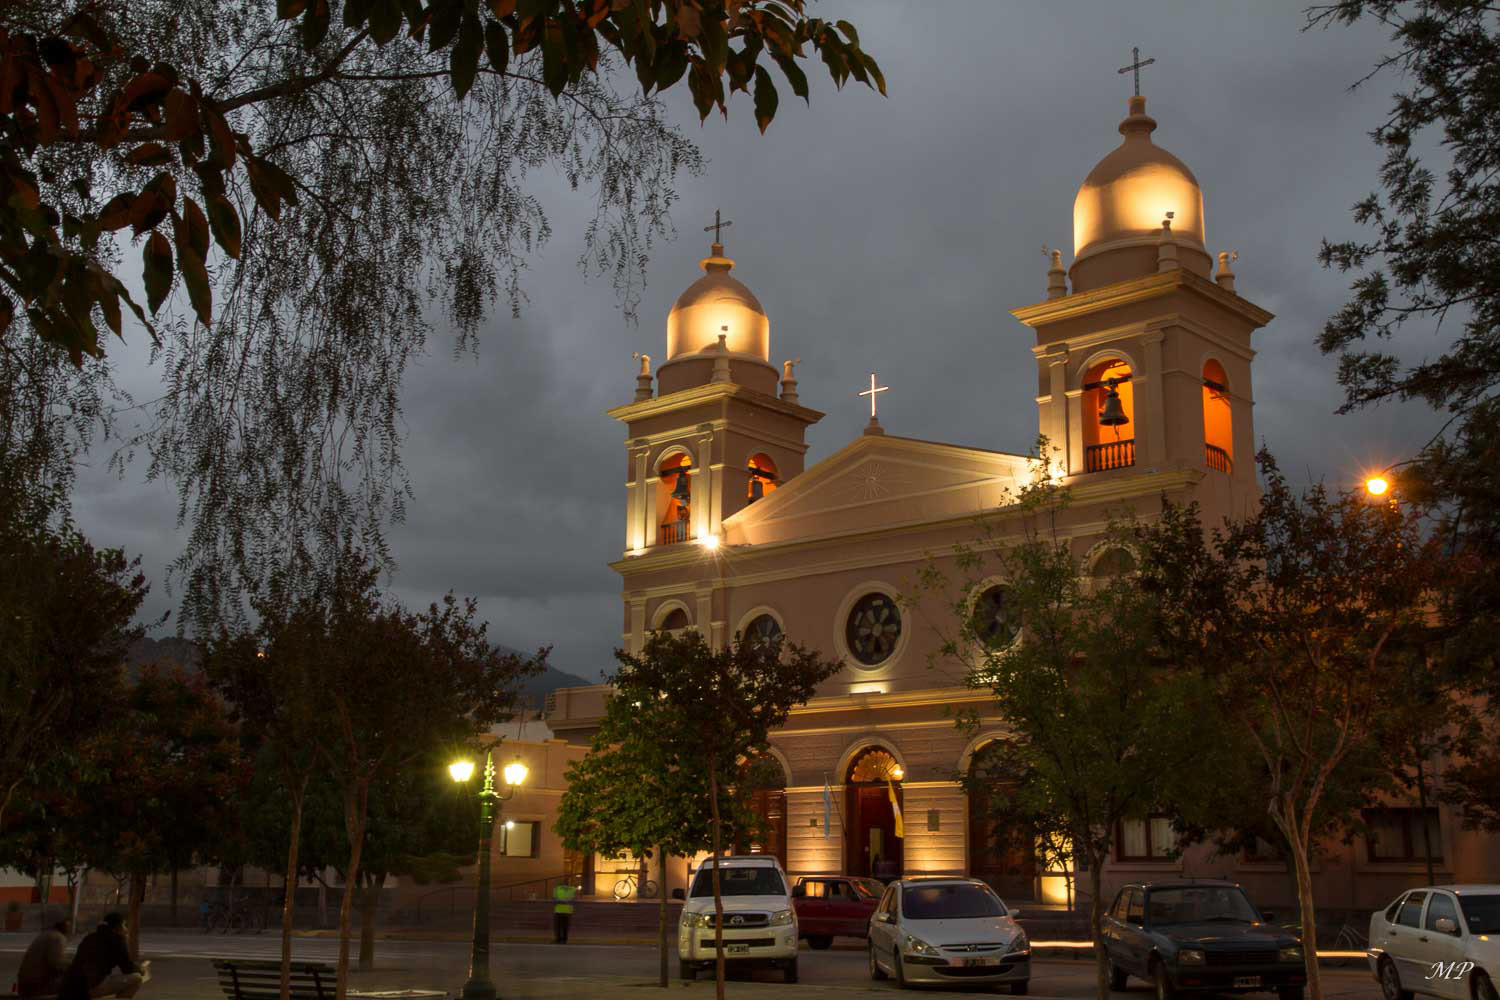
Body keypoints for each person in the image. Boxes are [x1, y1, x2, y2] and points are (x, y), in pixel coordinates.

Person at [58, 913, 146, 1000]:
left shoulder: (89, 937)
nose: (126, 929)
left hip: (71, 984)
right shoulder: (117, 940)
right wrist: (139, 969)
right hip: (90, 987)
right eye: (124, 925)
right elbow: (127, 969)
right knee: (137, 978)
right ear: (117, 927)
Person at [17, 918, 72, 998]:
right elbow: (56, 964)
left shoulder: (46, 934)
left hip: (24, 985)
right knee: (75, 982)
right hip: (36, 986)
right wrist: (74, 966)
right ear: (65, 926)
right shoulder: (58, 938)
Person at [551, 879, 579, 944]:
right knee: (565, 926)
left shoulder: (556, 889)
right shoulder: (573, 889)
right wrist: (567, 902)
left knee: (558, 926)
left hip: (558, 910)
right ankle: (564, 939)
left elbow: (554, 899)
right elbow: (575, 900)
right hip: (568, 911)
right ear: (569, 883)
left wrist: (561, 901)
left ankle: (558, 939)